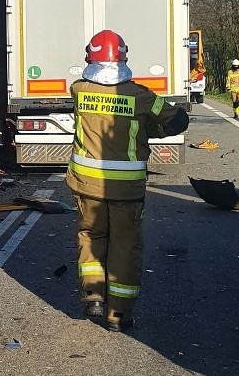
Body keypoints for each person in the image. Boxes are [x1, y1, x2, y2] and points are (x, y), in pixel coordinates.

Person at [66, 29, 189, 332]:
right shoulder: (140, 96)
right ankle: (118, 315)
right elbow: (177, 120)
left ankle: (93, 296)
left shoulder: (79, 89)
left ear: (90, 58)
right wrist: (147, 129)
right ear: (123, 57)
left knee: (91, 237)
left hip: (85, 184)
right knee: (125, 245)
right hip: (127, 188)